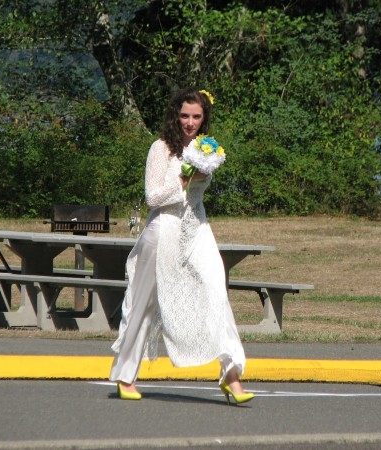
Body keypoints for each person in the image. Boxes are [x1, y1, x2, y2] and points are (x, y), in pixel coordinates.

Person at [109, 87, 254, 405]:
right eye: (185, 115)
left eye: (197, 116)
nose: (190, 122)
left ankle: (232, 377)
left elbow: (197, 197)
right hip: (163, 232)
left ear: (205, 118)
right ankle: (125, 375)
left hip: (198, 231)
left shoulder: (207, 148)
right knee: (144, 305)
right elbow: (153, 197)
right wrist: (185, 180)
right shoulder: (161, 149)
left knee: (217, 294)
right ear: (176, 115)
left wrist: (203, 171)